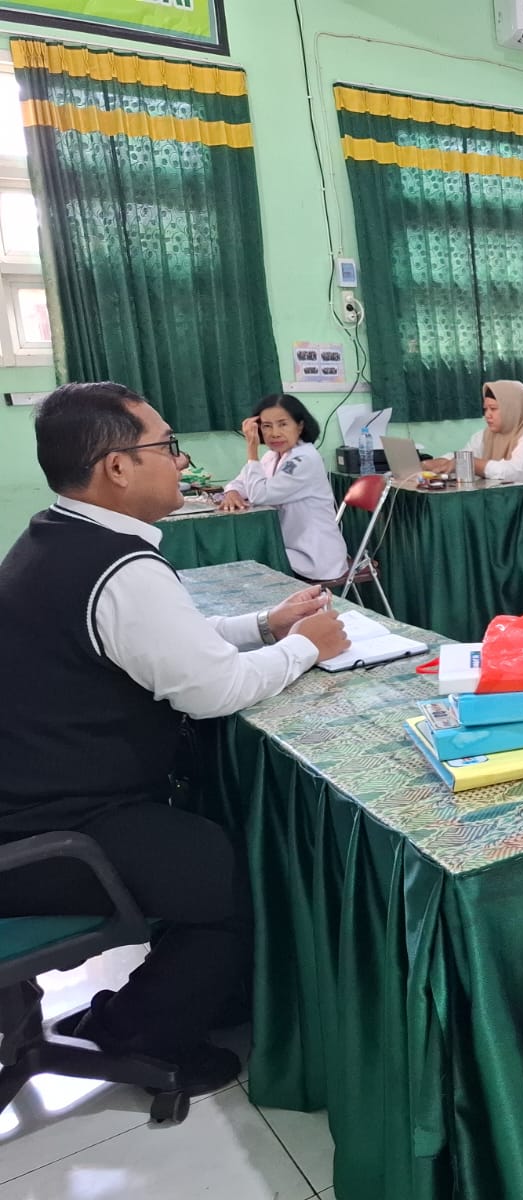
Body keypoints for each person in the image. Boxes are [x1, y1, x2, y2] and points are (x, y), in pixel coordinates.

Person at [0, 381, 350, 1092]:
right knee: (227, 871)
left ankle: (188, 998)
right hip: (52, 829)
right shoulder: (117, 565)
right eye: (165, 446)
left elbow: (162, 645)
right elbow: (212, 690)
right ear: (117, 468)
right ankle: (144, 1035)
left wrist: (264, 626)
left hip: (31, 794)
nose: (181, 462)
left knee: (201, 836)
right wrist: (307, 647)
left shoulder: (59, 537)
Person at [422, 381, 523, 603]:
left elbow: (515, 473)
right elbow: (465, 454)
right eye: (485, 409)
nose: (488, 415)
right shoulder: (487, 435)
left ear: (514, 408)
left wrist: (470, 463)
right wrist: (438, 462)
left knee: (488, 543)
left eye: (494, 409)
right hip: (512, 515)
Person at [217, 394, 349, 582]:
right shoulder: (273, 456)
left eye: (283, 424)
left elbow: (259, 495)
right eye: (266, 426)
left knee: (243, 560)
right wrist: (231, 492)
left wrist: (252, 449)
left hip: (313, 556)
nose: (274, 433)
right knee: (244, 557)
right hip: (290, 548)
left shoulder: (304, 459)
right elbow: (241, 482)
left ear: (300, 426)